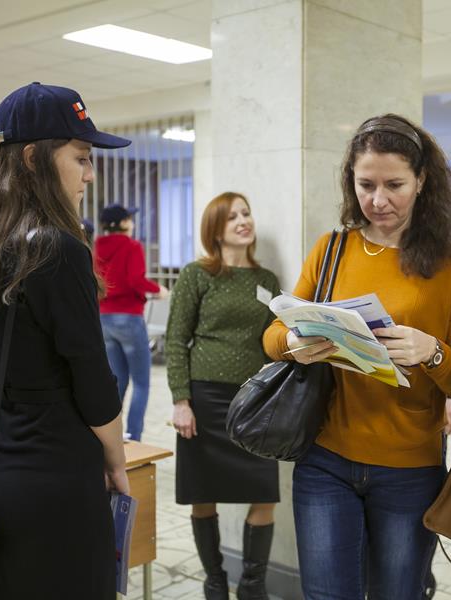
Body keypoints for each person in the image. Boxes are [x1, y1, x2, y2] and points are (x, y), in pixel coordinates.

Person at [262, 114, 451, 599]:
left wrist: (432, 352)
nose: (378, 200)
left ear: (422, 181)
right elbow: (273, 334)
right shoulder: (333, 248)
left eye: (394, 185)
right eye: (366, 185)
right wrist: (295, 344)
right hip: (325, 459)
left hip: (409, 471)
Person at [0, 82, 131, 600]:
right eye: (81, 158)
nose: (90, 174)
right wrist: (117, 462)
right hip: (61, 481)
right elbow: (93, 382)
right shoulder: (57, 249)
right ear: (32, 158)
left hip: (2, 470)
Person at [166, 192, 281, 600]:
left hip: (253, 402)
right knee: (204, 494)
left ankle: (252, 585)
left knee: (264, 493)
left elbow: (273, 341)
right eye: (232, 217)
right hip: (205, 400)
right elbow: (176, 339)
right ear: (215, 229)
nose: (243, 221)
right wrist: (181, 400)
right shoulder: (197, 275)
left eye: (246, 214)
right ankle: (215, 580)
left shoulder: (267, 280)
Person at [94, 203, 168, 441]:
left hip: (104, 318)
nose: (133, 223)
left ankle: (112, 436)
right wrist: (158, 290)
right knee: (141, 383)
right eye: (130, 219)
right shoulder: (132, 246)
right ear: (124, 223)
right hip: (128, 317)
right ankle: (134, 437)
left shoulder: (95, 247)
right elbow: (136, 280)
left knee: (117, 381)